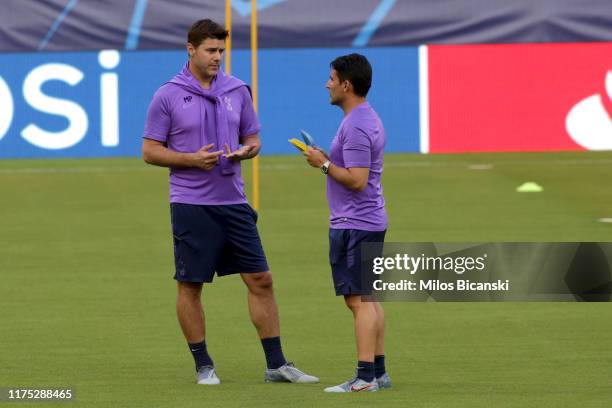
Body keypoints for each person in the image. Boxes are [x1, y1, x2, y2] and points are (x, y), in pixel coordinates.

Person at [141, 18, 318, 386]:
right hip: (191, 203)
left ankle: (276, 364)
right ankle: (203, 364)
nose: (217, 57)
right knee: (191, 285)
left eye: (221, 50)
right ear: (191, 50)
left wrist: (246, 152)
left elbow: (253, 139)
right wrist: (190, 159)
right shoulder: (167, 94)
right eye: (210, 50)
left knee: (261, 279)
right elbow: (149, 151)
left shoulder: (238, 90)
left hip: (234, 202)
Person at [302, 53, 391, 393]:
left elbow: (356, 180)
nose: (327, 83)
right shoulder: (365, 117)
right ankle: (378, 372)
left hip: (355, 222)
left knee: (359, 300)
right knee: (368, 297)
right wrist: (326, 157)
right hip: (367, 220)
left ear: (346, 84)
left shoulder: (355, 125)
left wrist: (322, 166)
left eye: (331, 78)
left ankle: (365, 377)